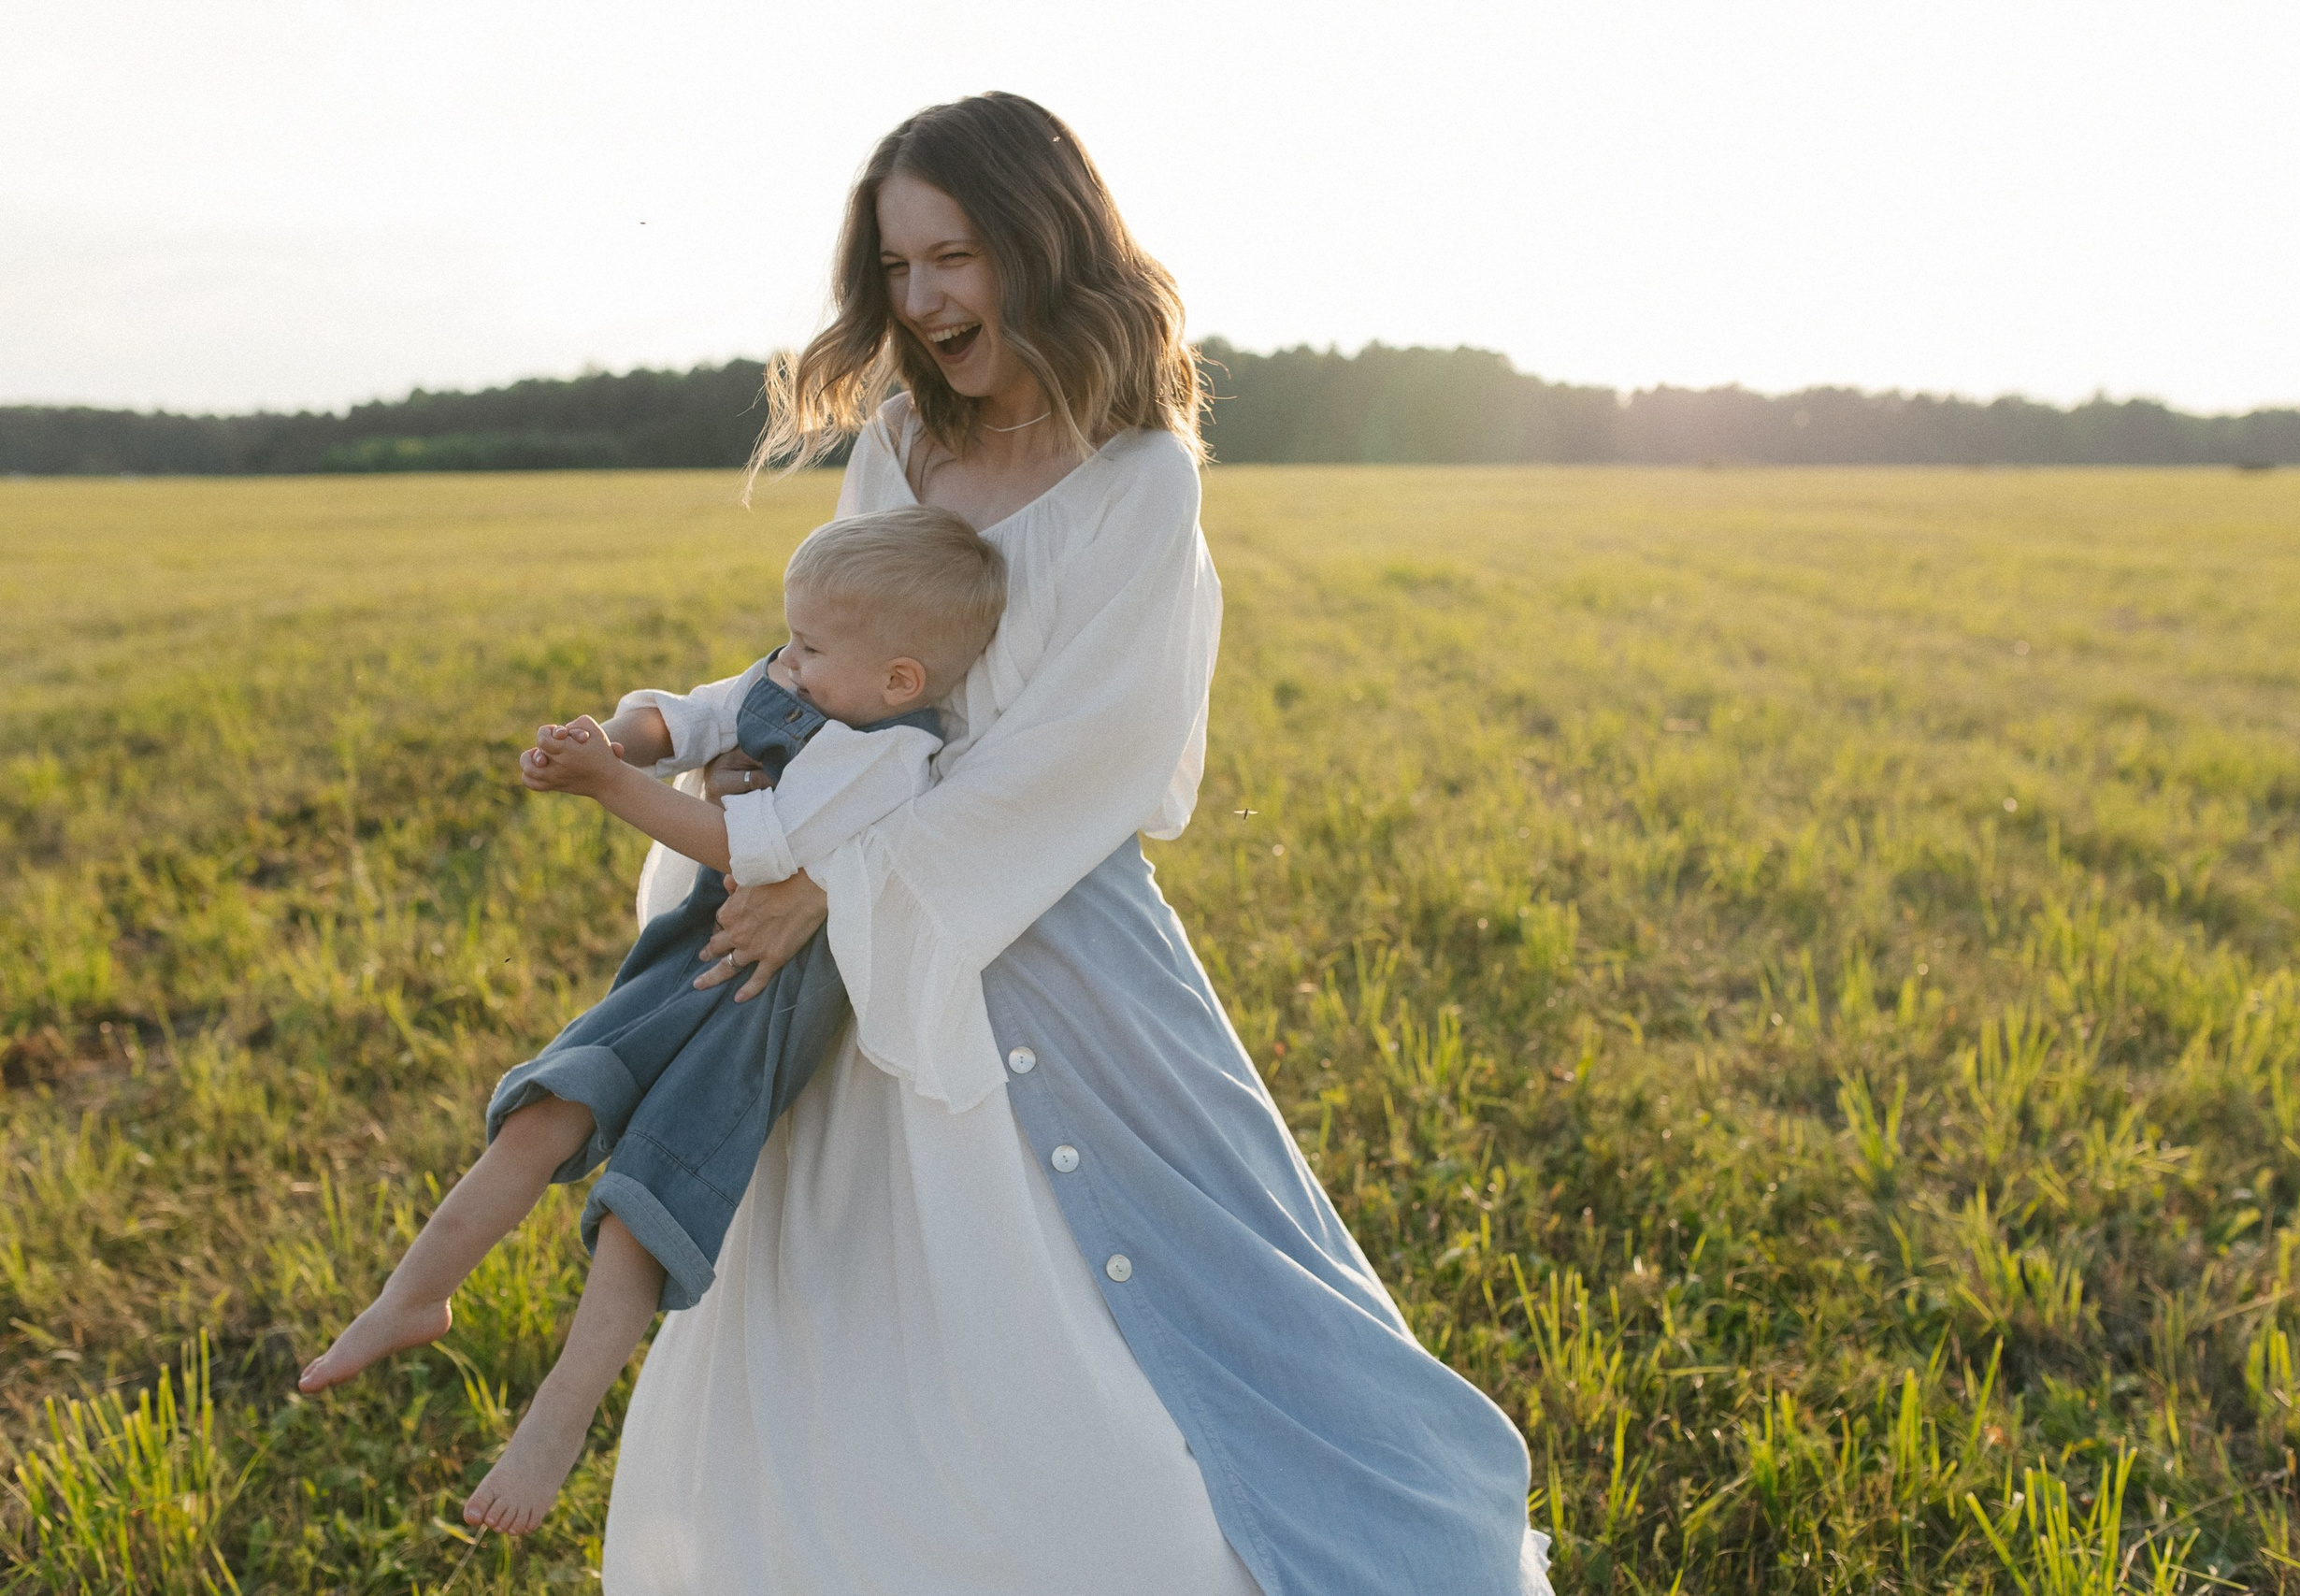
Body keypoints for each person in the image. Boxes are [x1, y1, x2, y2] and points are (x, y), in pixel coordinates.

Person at [600, 93, 1554, 1594]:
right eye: (897, 266)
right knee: (848, 1321)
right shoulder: (903, 440)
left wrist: (835, 880)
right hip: (854, 950)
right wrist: (740, 769)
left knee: (1162, 1321)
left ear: (1040, 243)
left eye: (954, 256)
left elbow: (1086, 754)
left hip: (1042, 930)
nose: (922, 298)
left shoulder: (1141, 477)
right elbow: (839, 652)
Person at [298, 505, 1002, 1536]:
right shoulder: (799, 679)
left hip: (761, 1001)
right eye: (789, 637)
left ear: (900, 679)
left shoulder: (889, 755)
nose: (786, 663)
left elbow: (746, 845)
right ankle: (413, 1294)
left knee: (646, 1200)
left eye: (810, 648)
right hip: (687, 954)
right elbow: (693, 717)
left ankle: (559, 1416)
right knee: (551, 1104)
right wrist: (611, 741)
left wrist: (610, 787)